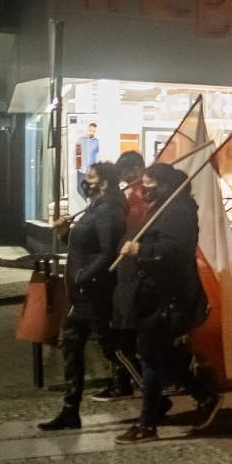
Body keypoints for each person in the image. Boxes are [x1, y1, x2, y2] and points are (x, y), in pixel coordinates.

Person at [115, 162, 215, 443]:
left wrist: (141, 250)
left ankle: (147, 424)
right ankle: (205, 396)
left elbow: (176, 250)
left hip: (166, 298)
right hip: (152, 297)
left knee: (150, 356)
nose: (143, 189)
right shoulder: (162, 208)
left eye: (148, 183)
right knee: (161, 356)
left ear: (165, 186)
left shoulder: (179, 211)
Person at [40, 163, 126, 431]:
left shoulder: (108, 211)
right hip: (83, 294)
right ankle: (70, 410)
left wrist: (83, 276)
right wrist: (66, 235)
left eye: (91, 178)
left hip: (94, 293)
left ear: (104, 183)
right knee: (71, 345)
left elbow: (108, 253)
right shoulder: (95, 208)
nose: (85, 182)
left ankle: (155, 392)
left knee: (114, 350)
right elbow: (85, 248)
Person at [96, 150, 148, 401]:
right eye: (125, 171)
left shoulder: (137, 199)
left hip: (131, 273)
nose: (128, 175)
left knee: (124, 332)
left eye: (132, 170)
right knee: (123, 331)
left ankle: (132, 380)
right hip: (125, 273)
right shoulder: (127, 197)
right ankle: (126, 379)